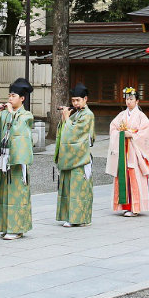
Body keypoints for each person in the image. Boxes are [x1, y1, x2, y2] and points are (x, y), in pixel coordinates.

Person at [0, 77, 35, 240]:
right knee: (4, 193)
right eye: (9, 95)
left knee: (17, 193)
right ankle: (6, 225)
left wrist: (11, 113)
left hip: (17, 159)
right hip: (4, 158)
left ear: (22, 98)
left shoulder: (26, 115)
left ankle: (17, 227)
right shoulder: (4, 114)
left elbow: (21, 130)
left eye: (13, 96)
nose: (10, 98)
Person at [54, 83, 96, 227]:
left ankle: (79, 218)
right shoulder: (78, 113)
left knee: (79, 189)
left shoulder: (88, 115)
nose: (75, 103)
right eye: (73, 101)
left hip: (81, 157)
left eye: (78, 100)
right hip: (71, 156)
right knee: (69, 187)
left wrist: (66, 118)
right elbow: (65, 130)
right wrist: (65, 119)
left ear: (85, 99)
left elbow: (74, 133)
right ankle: (70, 216)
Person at [107, 87, 149, 216]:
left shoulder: (141, 117)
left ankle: (135, 207)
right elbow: (113, 128)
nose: (128, 102)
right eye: (127, 99)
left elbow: (144, 135)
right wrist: (120, 134)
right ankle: (124, 205)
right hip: (123, 149)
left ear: (137, 101)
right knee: (123, 174)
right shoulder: (121, 115)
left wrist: (131, 135)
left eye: (131, 99)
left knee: (134, 176)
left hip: (134, 151)